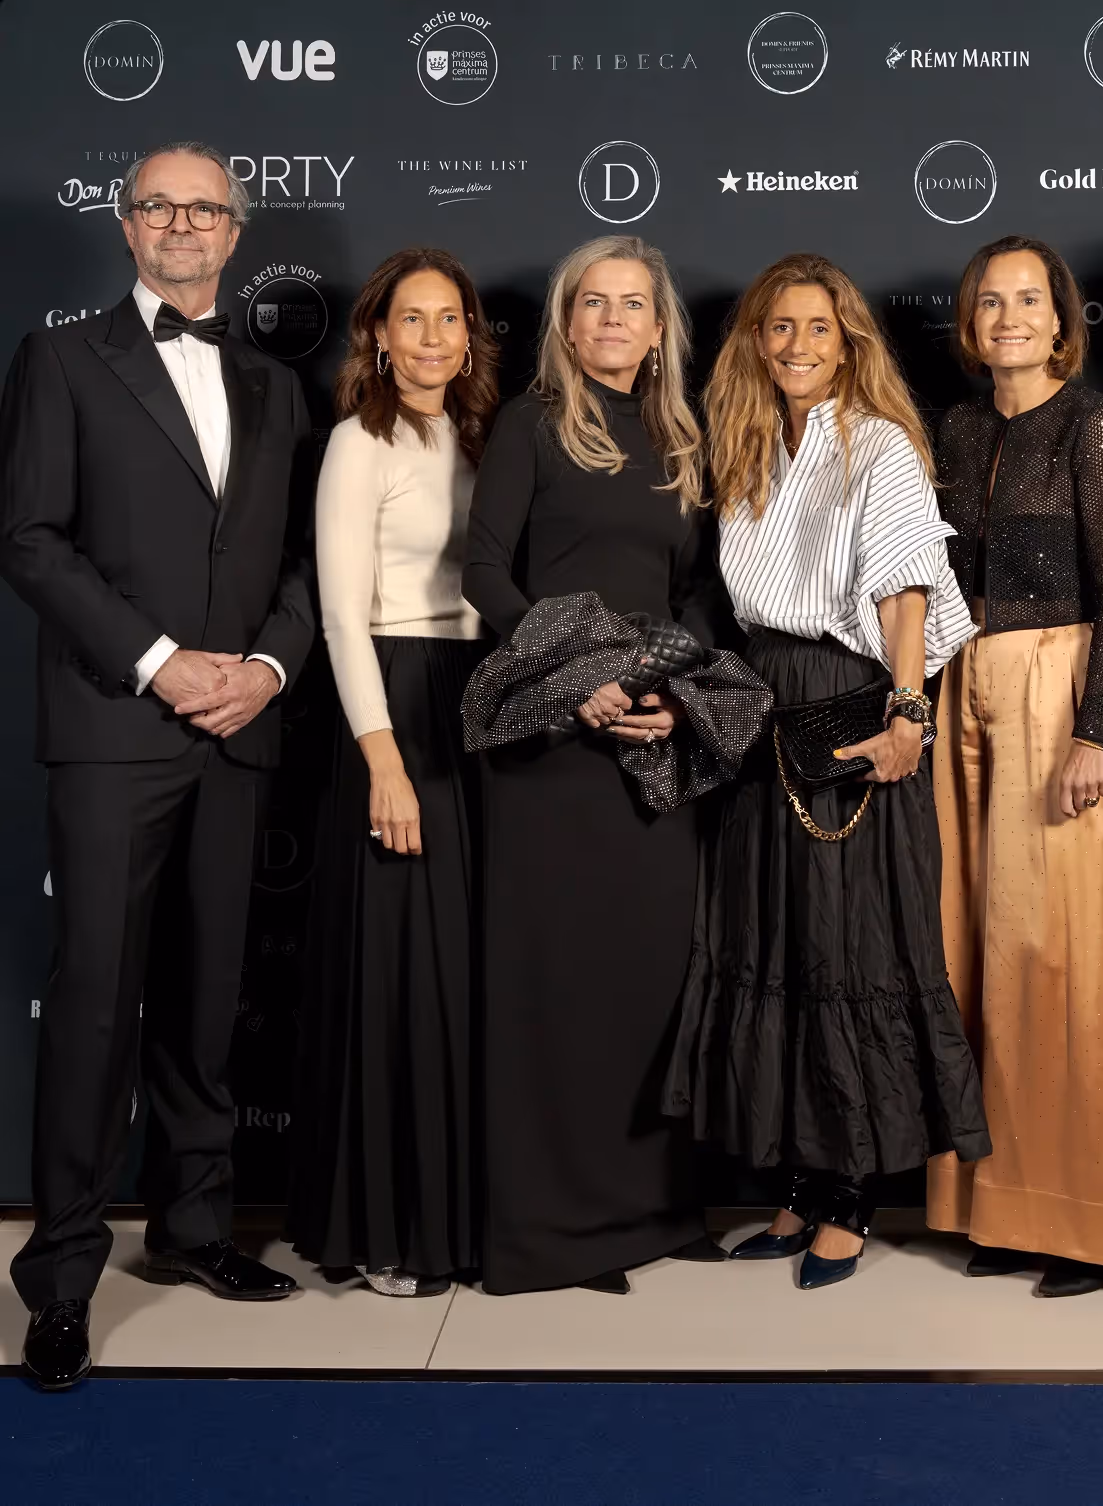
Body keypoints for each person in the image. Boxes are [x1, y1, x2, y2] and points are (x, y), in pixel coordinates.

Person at [0, 141, 315, 1389]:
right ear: (126, 228)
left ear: (235, 232)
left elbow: (301, 561)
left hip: (238, 730)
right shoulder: (62, 359)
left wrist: (267, 670)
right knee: (94, 1004)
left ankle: (193, 1228)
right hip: (115, 728)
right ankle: (62, 1279)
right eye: (159, 207)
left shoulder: (276, 383)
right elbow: (29, 539)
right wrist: (160, 662)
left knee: (207, 998)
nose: (183, 225)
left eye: (205, 208)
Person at [665, 252, 989, 1290]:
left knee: (852, 941)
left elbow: (904, 583)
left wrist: (908, 713)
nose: (798, 345)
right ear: (755, 344)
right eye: (780, 327)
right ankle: (801, 1183)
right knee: (780, 937)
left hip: (850, 698)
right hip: (764, 702)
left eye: (818, 327)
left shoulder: (878, 441)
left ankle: (850, 1195)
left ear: (848, 342)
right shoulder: (748, 442)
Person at [462, 235, 722, 1295]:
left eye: (633, 305)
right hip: (552, 746)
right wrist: (574, 677)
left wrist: (668, 685)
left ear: (660, 329)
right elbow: (484, 569)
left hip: (652, 739)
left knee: (648, 978)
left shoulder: (682, 438)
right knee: (556, 984)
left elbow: (699, 590)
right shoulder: (531, 425)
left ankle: (652, 1210)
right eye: (593, 303)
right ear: (567, 325)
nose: (613, 320)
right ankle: (553, 1229)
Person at [924, 236, 1103, 1297]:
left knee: (1060, 958)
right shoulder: (959, 428)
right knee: (976, 945)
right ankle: (997, 1206)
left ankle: (1082, 1224)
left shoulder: (1092, 423)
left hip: (1055, 689)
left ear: (1061, 319)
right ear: (970, 323)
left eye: (1028, 300)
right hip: (960, 684)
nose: (1009, 317)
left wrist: (1098, 733)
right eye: (990, 301)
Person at [287, 249, 499, 1297]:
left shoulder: (484, 438)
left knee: (461, 974)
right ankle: (386, 1226)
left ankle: (463, 1218)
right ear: (378, 335)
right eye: (411, 319)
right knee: (397, 973)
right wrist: (383, 759)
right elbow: (340, 616)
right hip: (395, 706)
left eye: (448, 318)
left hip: (482, 706)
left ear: (469, 335)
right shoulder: (356, 443)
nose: (431, 338)